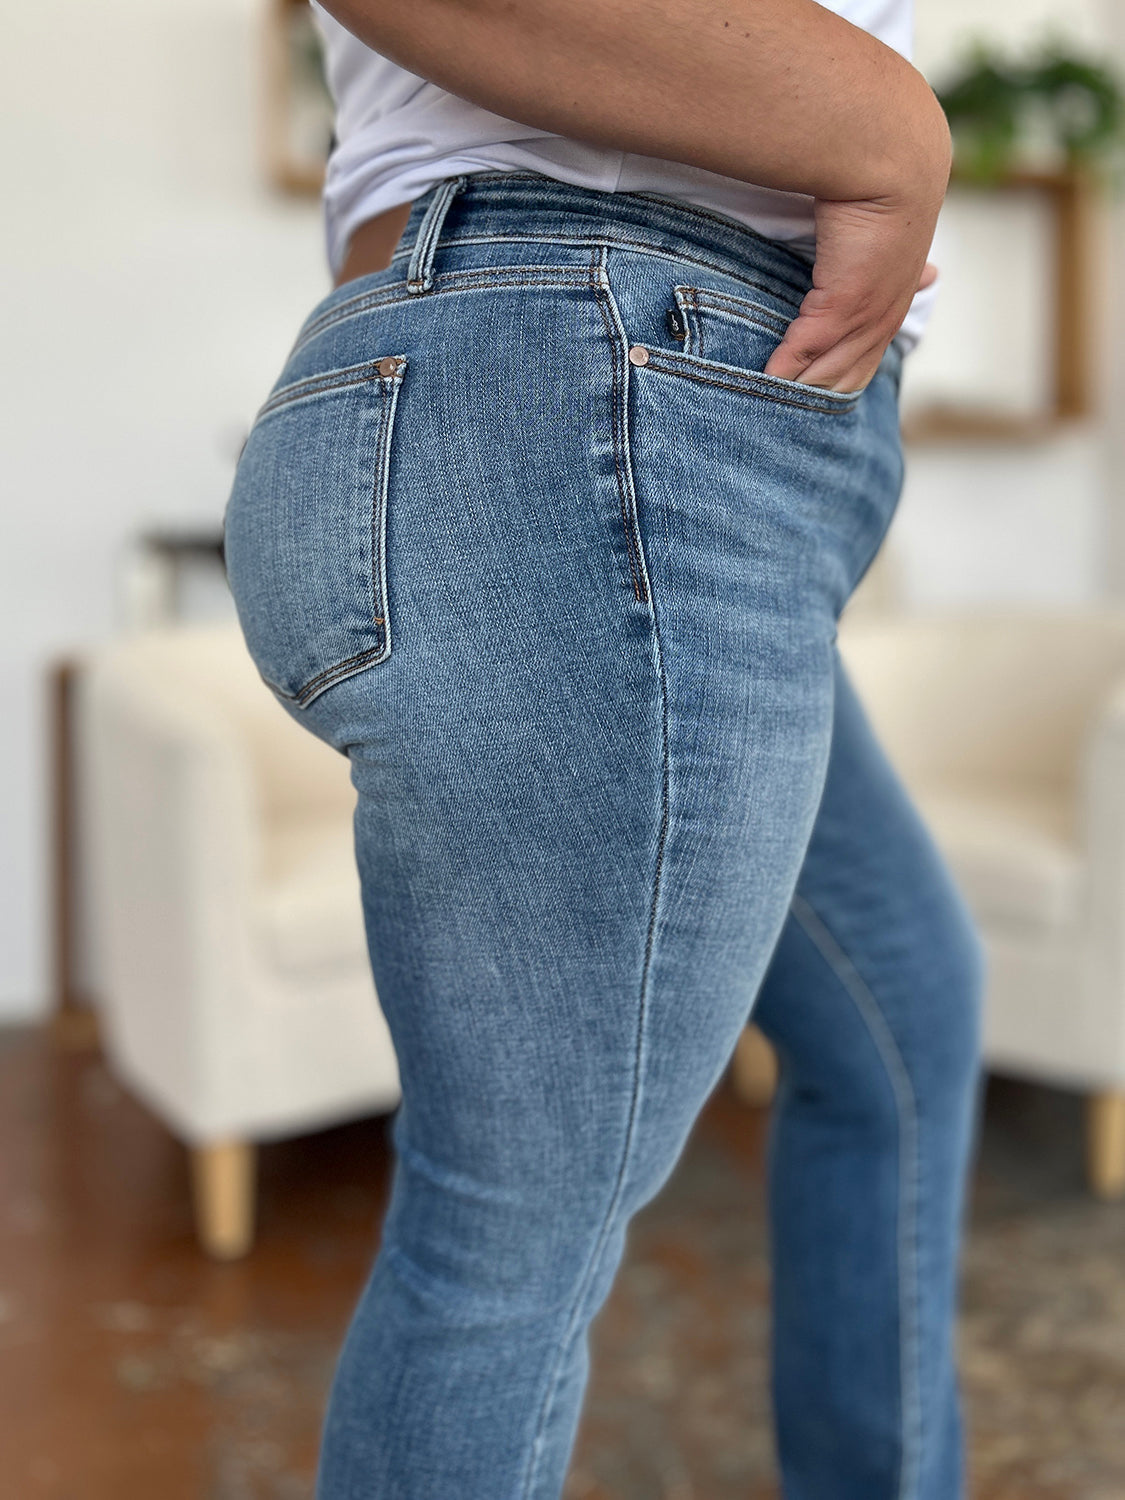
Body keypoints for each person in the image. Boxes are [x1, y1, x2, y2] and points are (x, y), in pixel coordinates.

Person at [221, 0, 985, 1494]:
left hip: (630, 413)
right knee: (509, 1236)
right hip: (604, 405)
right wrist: (886, 130)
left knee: (898, 1006)